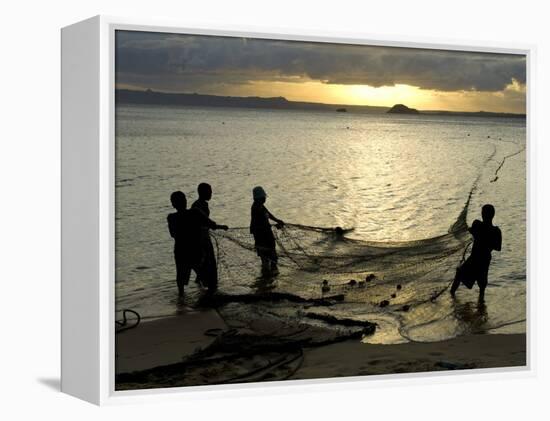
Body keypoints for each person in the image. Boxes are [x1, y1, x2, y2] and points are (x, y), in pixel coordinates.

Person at [451, 204, 502, 302]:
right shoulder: (493, 230)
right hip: (483, 259)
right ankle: (480, 308)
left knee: (462, 275)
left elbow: (498, 247)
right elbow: (497, 247)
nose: (483, 215)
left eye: (484, 213)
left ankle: (452, 299)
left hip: (478, 258)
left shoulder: (481, 226)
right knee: (480, 285)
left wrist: (482, 238)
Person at [190, 183, 228, 292]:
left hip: (204, 237)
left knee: (205, 263)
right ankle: (207, 286)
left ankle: (201, 287)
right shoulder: (197, 206)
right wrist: (220, 226)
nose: (211, 193)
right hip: (200, 239)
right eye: (209, 191)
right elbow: (204, 222)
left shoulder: (202, 204)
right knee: (206, 262)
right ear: (202, 192)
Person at [167, 191, 199, 297]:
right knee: (201, 272)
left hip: (180, 249)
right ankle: (204, 293)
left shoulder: (171, 217)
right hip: (193, 249)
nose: (185, 201)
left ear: (173, 204)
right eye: (184, 199)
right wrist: (219, 227)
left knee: (180, 275)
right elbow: (208, 222)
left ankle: (181, 298)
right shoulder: (193, 212)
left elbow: (172, 234)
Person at [250, 186, 284, 276]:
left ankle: (267, 279)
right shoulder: (256, 208)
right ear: (259, 198)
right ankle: (270, 276)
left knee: (268, 257)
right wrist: (275, 224)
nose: (265, 198)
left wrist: (277, 220)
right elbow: (261, 223)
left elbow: (268, 214)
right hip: (262, 236)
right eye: (263, 197)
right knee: (269, 257)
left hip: (265, 234)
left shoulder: (260, 206)